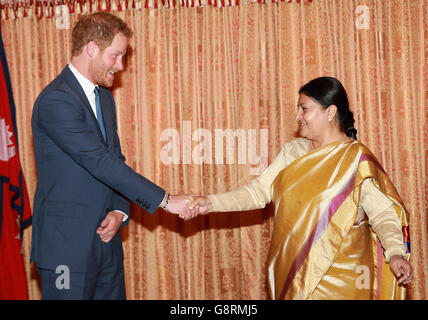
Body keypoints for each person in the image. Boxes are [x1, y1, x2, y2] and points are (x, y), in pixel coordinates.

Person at [185, 77, 413, 300]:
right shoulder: (292, 152)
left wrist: (395, 253)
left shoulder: (356, 159)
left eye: (304, 109)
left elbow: (383, 213)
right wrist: (210, 202)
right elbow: (258, 192)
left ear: (330, 112)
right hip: (294, 271)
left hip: (345, 276)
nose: (297, 116)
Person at [31, 12, 192, 300]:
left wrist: (119, 211)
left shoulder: (103, 97)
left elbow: (114, 159)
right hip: (66, 249)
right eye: (116, 56)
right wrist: (166, 201)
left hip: (107, 244)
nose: (120, 66)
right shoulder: (57, 100)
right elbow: (98, 162)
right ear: (92, 48)